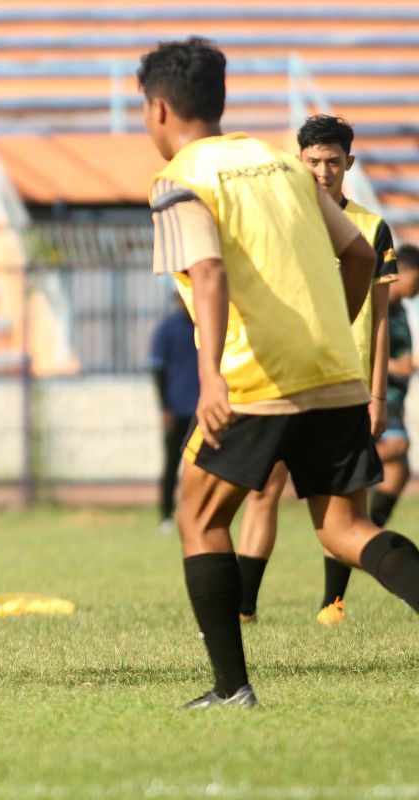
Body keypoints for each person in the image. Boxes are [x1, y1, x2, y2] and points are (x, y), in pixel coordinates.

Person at [139, 37, 419, 709]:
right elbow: (357, 257)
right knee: (345, 530)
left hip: (255, 380)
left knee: (200, 518)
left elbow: (206, 272)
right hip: (333, 373)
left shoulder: (181, 177)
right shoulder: (282, 165)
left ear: (156, 109)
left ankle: (232, 688)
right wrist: (327, 334)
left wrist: (209, 373)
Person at [234, 115, 398, 626]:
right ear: (297, 163)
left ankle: (333, 604)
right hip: (285, 378)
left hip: (344, 385)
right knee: (263, 489)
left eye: (333, 162)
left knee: (344, 504)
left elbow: (380, 321)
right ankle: (243, 607)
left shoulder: (371, 228)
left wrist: (377, 396)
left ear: (349, 163)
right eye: (313, 162)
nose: (323, 172)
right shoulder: (284, 224)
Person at [373, 246, 419, 523]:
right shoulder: (378, 304)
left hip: (395, 399)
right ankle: (335, 465)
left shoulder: (401, 310)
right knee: (399, 445)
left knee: (398, 473)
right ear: (404, 271)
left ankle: (368, 534)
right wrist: (396, 366)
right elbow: (361, 351)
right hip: (378, 395)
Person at [150, 292, 200, 533]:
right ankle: (166, 516)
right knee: (172, 464)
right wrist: (165, 408)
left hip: (203, 409)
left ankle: (197, 514)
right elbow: (157, 370)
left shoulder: (205, 326)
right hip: (177, 409)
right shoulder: (167, 328)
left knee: (202, 468)